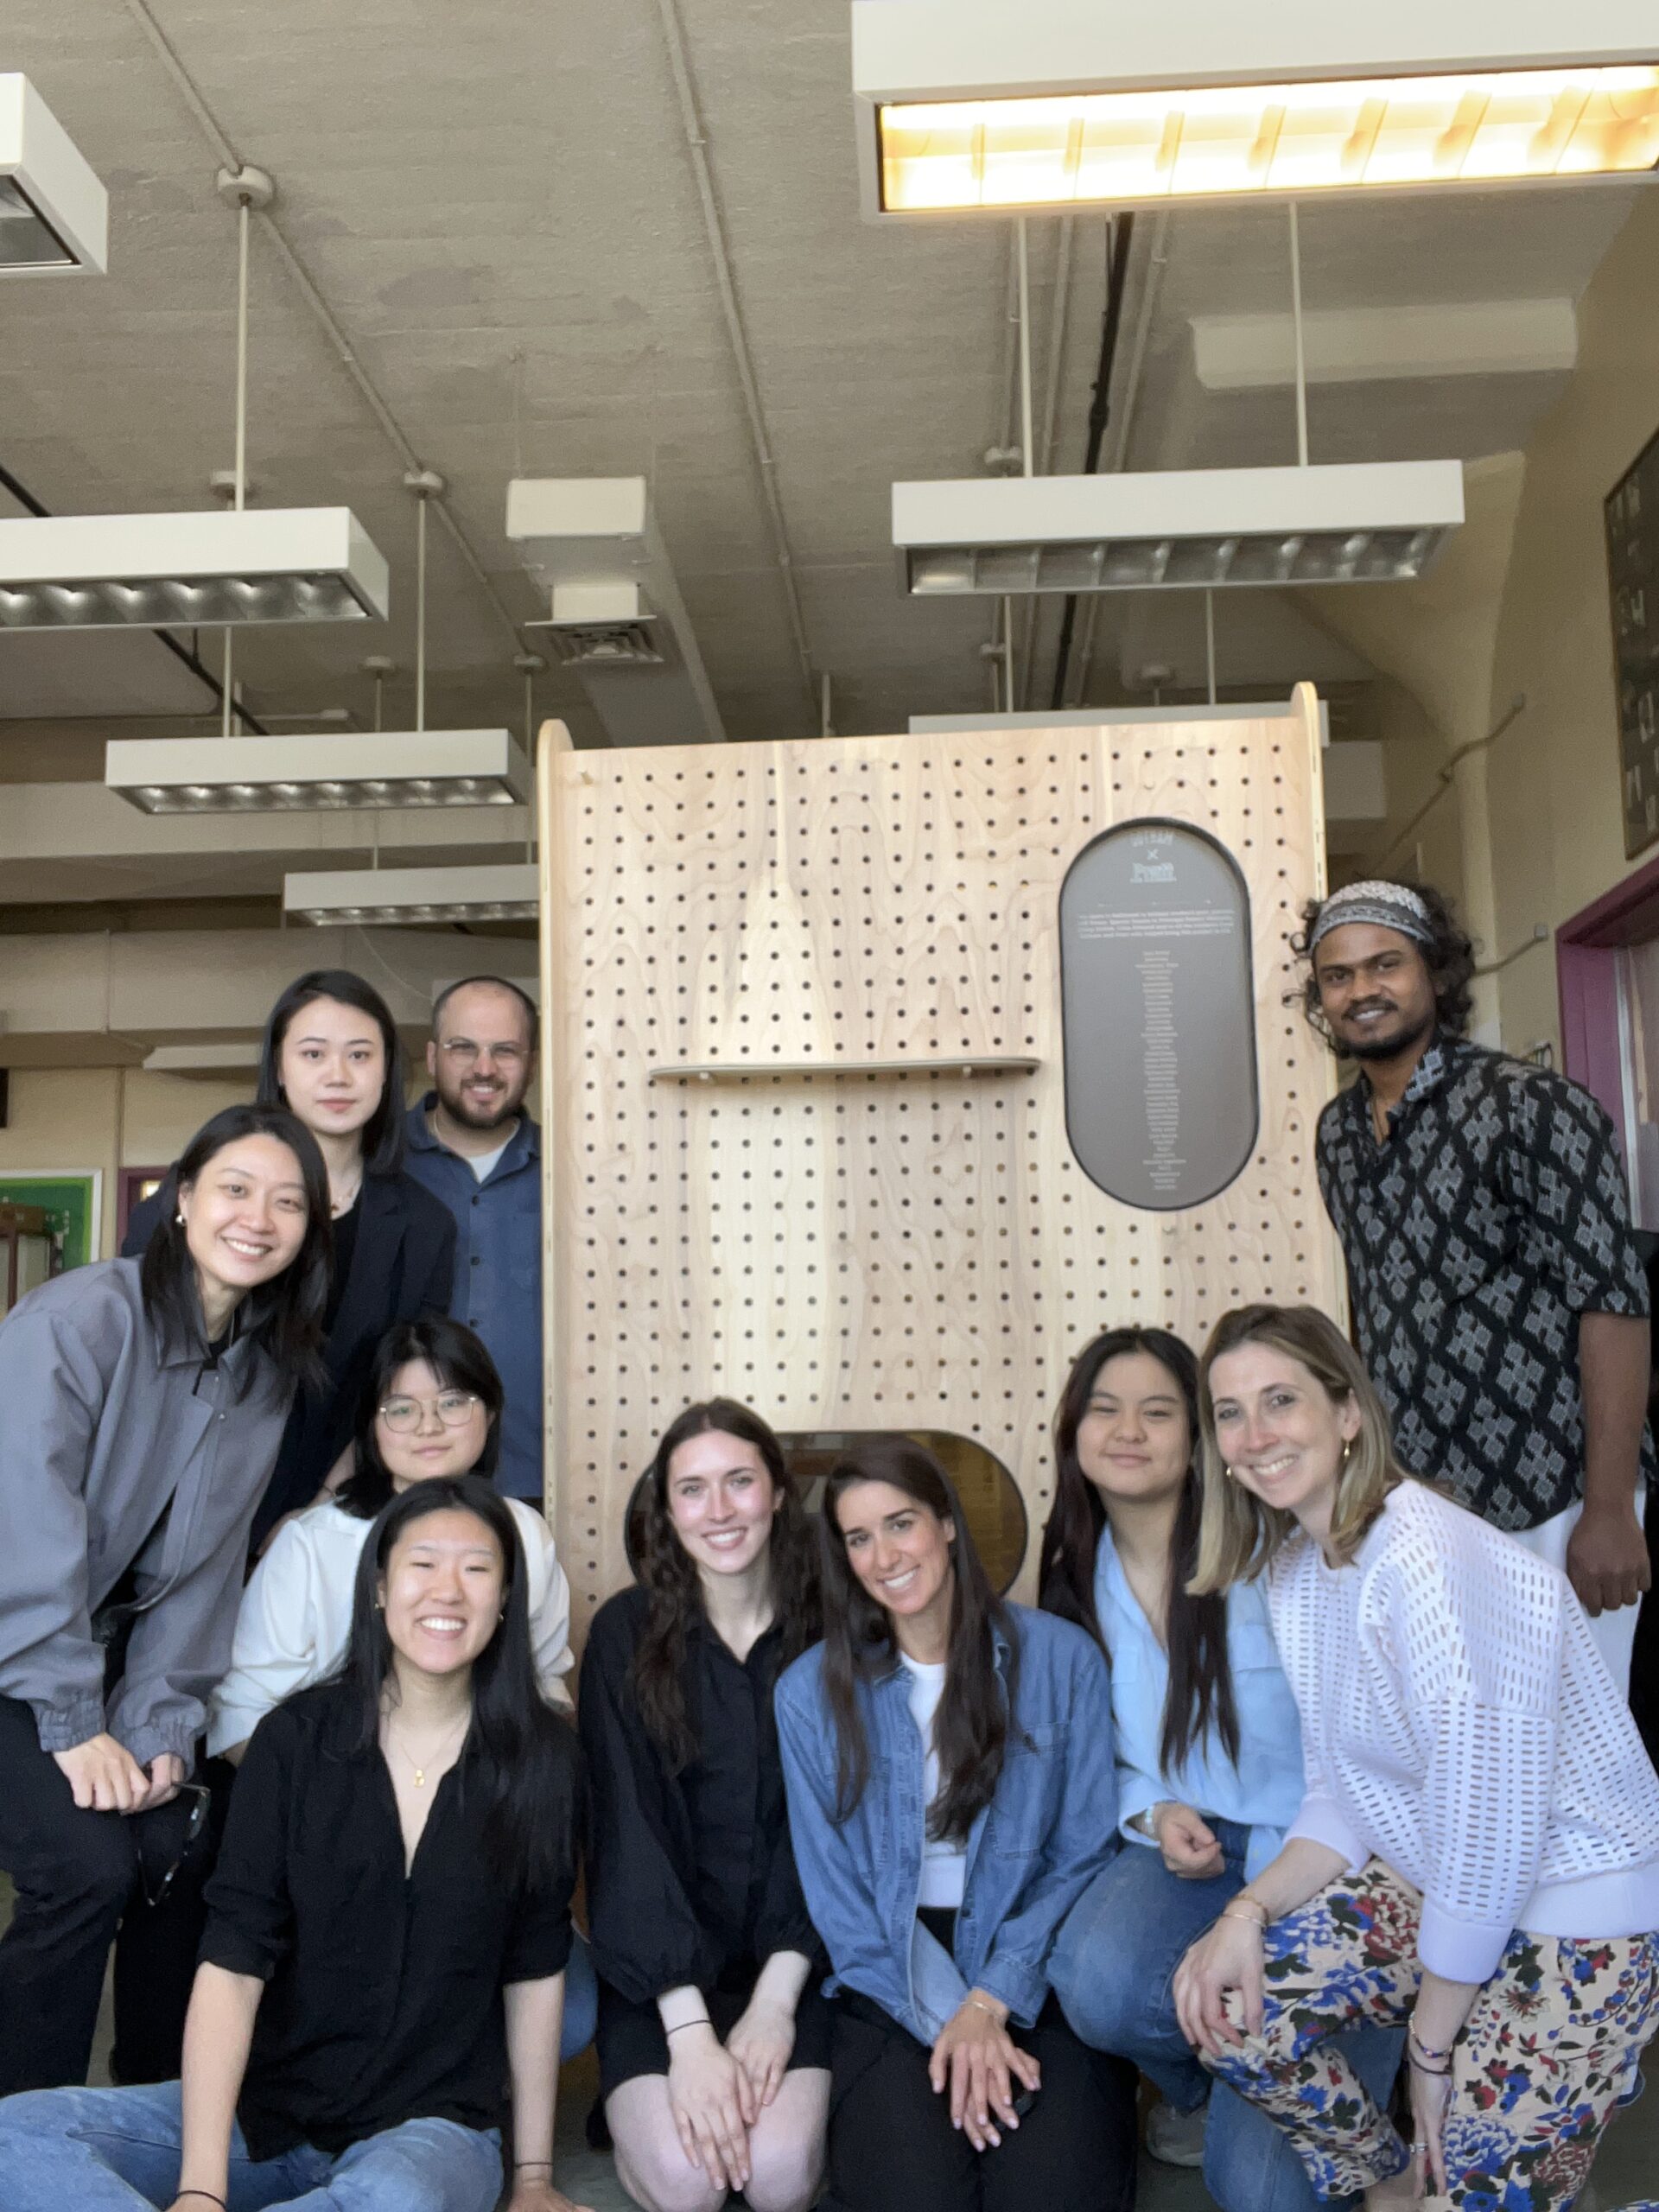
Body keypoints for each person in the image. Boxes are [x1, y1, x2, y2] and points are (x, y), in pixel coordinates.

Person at [1174, 1303, 1659, 2212]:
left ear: (1347, 1411)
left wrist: (1431, 2053)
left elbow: (1492, 1834)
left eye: (1281, 1399)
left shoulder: (1427, 1557)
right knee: (1223, 2002)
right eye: (1230, 1412)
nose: (1255, 1434)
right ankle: (1403, 2184)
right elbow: (1341, 1791)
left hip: (1575, 1909)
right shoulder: (1296, 1567)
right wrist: (1243, 1911)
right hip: (1447, 1888)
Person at [0, 1476, 589, 2212]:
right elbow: (233, 1962)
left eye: (476, 1570)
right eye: (422, 1564)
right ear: (378, 1588)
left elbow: (534, 1971)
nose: (448, 1591)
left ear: (505, 1601)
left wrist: (532, 2178)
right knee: (16, 2136)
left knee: (393, 2200)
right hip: (269, 2113)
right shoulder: (296, 1740)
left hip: (428, 2135)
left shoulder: (542, 1762)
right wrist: (201, 2191)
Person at [0, 1103, 331, 2095]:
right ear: (181, 1201)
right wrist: (71, 1721)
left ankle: (150, 2110)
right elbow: (25, 1530)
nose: (258, 1218)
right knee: (85, 1871)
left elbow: (200, 1577)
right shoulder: (78, 1318)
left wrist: (158, 1730)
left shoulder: (266, 1372)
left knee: (180, 1846)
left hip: (84, 1662)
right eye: (234, 1188)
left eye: (289, 1202)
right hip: (18, 1647)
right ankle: (27, 2138)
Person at [1039, 1325, 1401, 2210]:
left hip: (1327, 1859)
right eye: (1106, 1409)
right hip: (1191, 1855)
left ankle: (1286, 2082)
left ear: (1198, 1436)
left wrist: (1264, 1908)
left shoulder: (1277, 1548)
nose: (1129, 1430)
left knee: (1260, 2192)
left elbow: (1369, 1761)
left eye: (1158, 1411)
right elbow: (1094, 1760)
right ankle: (1224, 2075)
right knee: (1095, 1981)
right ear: (1072, 1432)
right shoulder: (1070, 1576)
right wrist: (1152, 1812)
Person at [205, 1317, 596, 2058]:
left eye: (453, 1402)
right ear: (370, 1425)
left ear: (489, 1411)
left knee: (568, 2021)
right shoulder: (313, 1543)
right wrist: (359, 1833)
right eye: (401, 1408)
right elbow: (240, 1722)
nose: (429, 1426)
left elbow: (544, 1700)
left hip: (476, 1847)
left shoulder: (523, 1535)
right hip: (331, 1856)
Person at [1296, 877, 1652, 1688]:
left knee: (1578, 1764)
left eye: (1385, 965)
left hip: (1552, 1496)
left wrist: (1607, 1508)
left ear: (1435, 975)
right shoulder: (1339, 1135)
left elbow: (1616, 1304)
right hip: (1422, 1502)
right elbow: (1374, 1313)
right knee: (1467, 1751)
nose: (1362, 991)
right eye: (1338, 976)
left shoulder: (1532, 1107)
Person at [776, 1436, 1138, 2212]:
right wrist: (955, 2020)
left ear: (945, 1524)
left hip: (1036, 1957)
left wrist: (991, 2002)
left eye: (900, 1523)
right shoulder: (808, 1695)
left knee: (1054, 2195)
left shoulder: (1061, 1660)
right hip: (894, 1978)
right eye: (859, 1538)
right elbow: (841, 1904)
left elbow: (1082, 1856)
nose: (884, 1555)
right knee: (916, 2197)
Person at [580, 1400, 829, 2212]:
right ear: (666, 1509)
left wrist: (774, 2006)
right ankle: (636, 2127)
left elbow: (842, 1831)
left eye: (739, 1483)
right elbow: (625, 1838)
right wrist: (689, 2037)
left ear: (779, 1492)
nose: (718, 1512)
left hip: (801, 1969)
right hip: (660, 1983)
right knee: (692, 2186)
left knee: (779, 2176)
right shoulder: (624, 1633)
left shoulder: (837, 1631)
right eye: (692, 1490)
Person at [124, 969, 456, 1549]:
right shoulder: (201, 1192)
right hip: (170, 1495)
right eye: (312, 1053)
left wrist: (316, 1511)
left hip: (324, 1512)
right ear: (279, 1067)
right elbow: (138, 1342)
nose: (337, 1075)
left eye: (360, 1054)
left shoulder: (425, 1225)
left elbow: (401, 1389)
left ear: (387, 1071)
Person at [404, 975, 545, 1502]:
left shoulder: (575, 1177)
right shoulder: (378, 1169)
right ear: (434, 1056)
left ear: (531, 1061)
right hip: (405, 1478)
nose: (484, 1069)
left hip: (545, 1477)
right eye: (464, 1048)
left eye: (504, 1051)